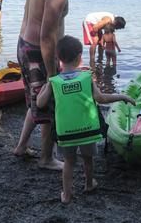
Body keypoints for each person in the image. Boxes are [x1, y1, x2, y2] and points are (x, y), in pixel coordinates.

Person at [13, 0, 97, 171]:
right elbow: (47, 36)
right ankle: (46, 159)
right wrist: (53, 76)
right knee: (50, 102)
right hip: (39, 50)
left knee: (34, 101)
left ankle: (21, 146)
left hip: (24, 45)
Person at [36, 35, 135, 203]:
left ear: (58, 58)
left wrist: (47, 86)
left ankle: (66, 195)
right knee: (88, 159)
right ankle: (89, 184)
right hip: (88, 131)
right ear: (80, 57)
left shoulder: (54, 82)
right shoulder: (87, 77)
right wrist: (122, 96)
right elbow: (101, 98)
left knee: (69, 162)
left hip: (66, 133)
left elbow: (39, 104)